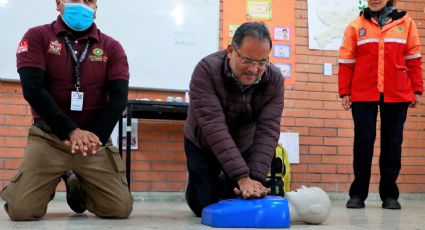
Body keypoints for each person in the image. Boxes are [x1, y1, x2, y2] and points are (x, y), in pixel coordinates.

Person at [1, 0, 133, 220]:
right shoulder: (37, 36)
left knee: (118, 209)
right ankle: (43, 182)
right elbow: (33, 90)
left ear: (96, 8)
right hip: (49, 138)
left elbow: (119, 98)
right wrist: (71, 131)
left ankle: (75, 184)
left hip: (93, 141)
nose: (81, 4)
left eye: (88, 0)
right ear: (58, 3)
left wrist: (96, 138)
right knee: (22, 211)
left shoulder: (112, 47)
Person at [184, 22, 285, 217]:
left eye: (262, 62)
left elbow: (268, 130)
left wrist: (254, 179)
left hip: (243, 143)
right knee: (204, 206)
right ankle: (197, 186)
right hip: (203, 142)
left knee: (242, 200)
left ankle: (226, 182)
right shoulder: (206, 70)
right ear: (231, 51)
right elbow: (214, 127)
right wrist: (241, 176)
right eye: (247, 60)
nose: (254, 69)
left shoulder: (275, 80)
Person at [338, 0, 423, 209]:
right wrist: (345, 92)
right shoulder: (355, 26)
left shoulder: (407, 23)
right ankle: (357, 194)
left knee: (392, 144)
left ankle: (390, 195)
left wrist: (417, 89)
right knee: (363, 143)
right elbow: (346, 62)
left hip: (397, 91)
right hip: (363, 92)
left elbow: (413, 58)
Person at [201, 186, 331, 227]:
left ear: (316, 209)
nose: (303, 187)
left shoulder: (278, 210)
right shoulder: (278, 203)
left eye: (311, 190)